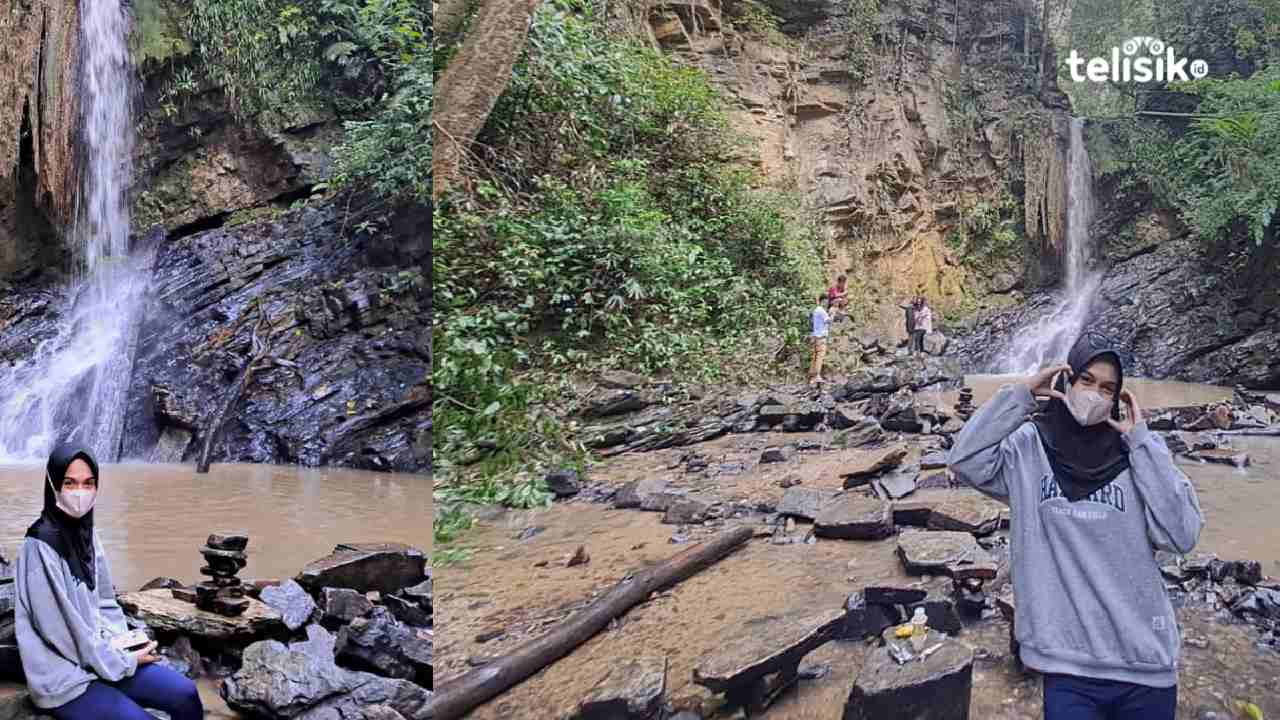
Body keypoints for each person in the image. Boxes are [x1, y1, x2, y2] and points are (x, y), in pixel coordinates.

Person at [948, 331, 1202, 720]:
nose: (1095, 394)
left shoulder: (1136, 455)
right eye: (1086, 380)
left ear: (1119, 398)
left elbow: (1182, 535)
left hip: (1145, 663)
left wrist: (1144, 443)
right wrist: (1019, 397)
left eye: (1108, 388)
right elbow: (965, 460)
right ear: (1067, 380)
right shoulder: (1029, 448)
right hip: (1067, 665)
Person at [15, 443, 204, 720]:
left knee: (185, 693)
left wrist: (126, 643)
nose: (80, 491)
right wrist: (123, 661)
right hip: (64, 677)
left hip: (104, 657)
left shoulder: (87, 534)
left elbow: (105, 601)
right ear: (53, 485)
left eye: (88, 483)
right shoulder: (40, 544)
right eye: (70, 482)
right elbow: (62, 634)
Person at [808, 294, 830, 385]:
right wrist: (833, 313)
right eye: (826, 301)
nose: (827, 303)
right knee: (820, 356)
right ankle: (817, 376)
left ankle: (812, 377)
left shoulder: (815, 310)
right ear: (823, 301)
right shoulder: (822, 311)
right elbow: (828, 320)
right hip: (821, 337)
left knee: (815, 357)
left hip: (815, 336)